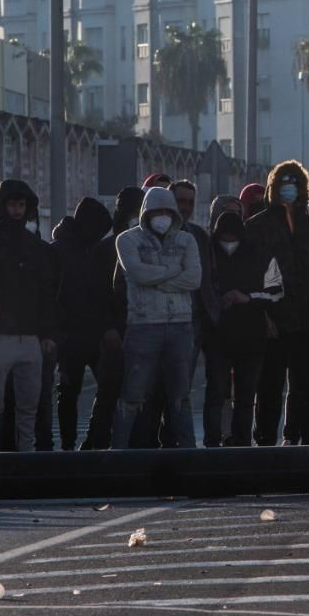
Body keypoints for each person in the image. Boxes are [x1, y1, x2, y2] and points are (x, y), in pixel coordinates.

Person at [248, 161, 309, 445]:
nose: (289, 189)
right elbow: (251, 276)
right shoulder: (257, 227)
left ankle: (308, 450)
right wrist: (261, 316)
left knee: (308, 390)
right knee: (269, 390)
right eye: (284, 184)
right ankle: (265, 448)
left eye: (294, 184)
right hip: (273, 321)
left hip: (308, 323)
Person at [110, 187, 201, 449]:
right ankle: (118, 457)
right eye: (157, 211)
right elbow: (139, 274)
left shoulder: (187, 241)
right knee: (132, 395)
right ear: (146, 213)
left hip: (181, 326)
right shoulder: (127, 240)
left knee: (181, 397)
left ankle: (188, 455)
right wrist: (174, 271)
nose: (162, 216)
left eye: (167, 211)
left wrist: (158, 278)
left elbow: (194, 278)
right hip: (143, 326)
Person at [202, 211, 283, 447]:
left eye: (232, 239)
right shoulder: (208, 253)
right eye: (223, 240)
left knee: (246, 398)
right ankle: (212, 443)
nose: (228, 244)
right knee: (216, 394)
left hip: (252, 337)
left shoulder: (261, 254)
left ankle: (242, 444)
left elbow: (276, 291)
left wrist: (247, 298)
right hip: (218, 337)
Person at [0, 180, 56, 452]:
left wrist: (47, 334)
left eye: (21, 205)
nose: (17, 210)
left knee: (28, 406)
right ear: (2, 206)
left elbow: (45, 291)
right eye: (12, 204)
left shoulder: (35, 245)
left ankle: (23, 463)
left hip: (28, 336)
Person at [80, 187, 144, 449]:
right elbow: (96, 295)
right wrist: (107, 329)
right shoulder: (105, 249)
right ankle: (97, 443)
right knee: (109, 391)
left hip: (142, 332)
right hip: (115, 334)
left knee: (139, 395)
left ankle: (136, 444)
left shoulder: (148, 246)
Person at [51, 197, 113, 450]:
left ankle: (94, 438)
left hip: (95, 333)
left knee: (107, 387)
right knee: (68, 391)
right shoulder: (59, 251)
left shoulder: (95, 249)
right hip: (70, 335)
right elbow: (54, 294)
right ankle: (67, 445)